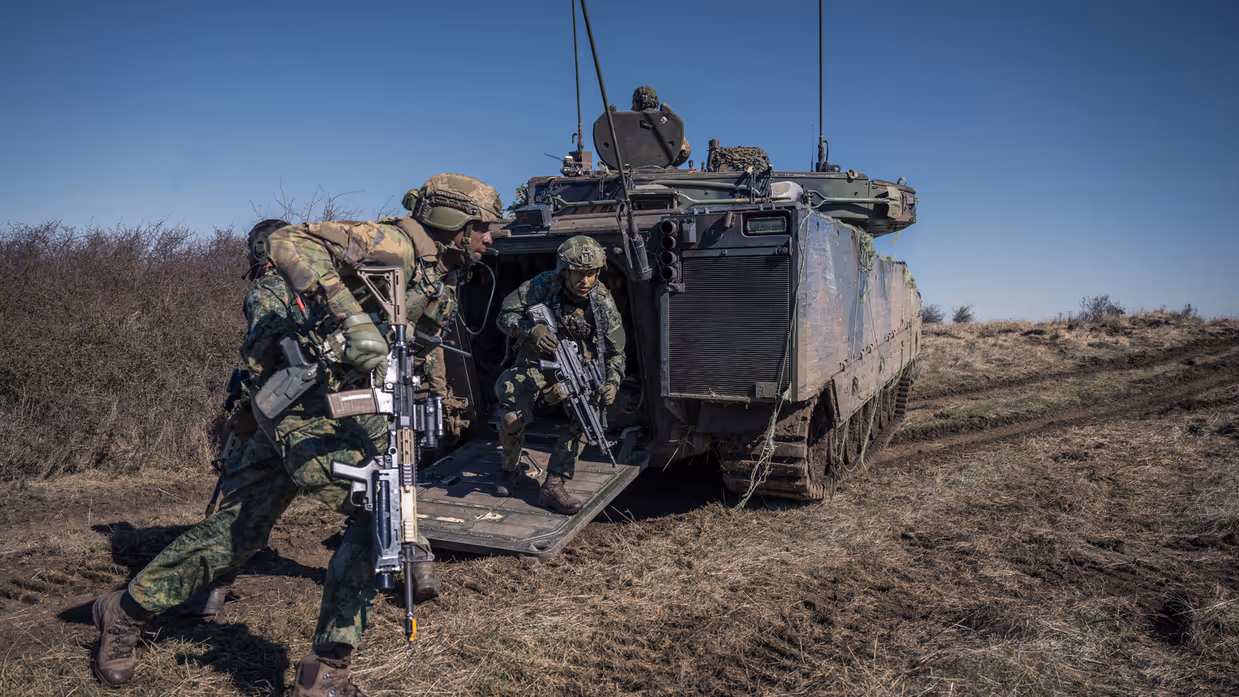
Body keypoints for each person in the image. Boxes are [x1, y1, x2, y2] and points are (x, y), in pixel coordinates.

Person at [90, 175, 501, 695]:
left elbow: (410, 342)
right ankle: (326, 670)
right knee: (377, 509)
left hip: (346, 406)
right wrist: (353, 324)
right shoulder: (393, 243)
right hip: (304, 406)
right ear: (453, 221)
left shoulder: (437, 275)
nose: (490, 239)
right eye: (482, 227)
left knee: (238, 532)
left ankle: (125, 609)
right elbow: (288, 241)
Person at [493, 235, 626, 513]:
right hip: (534, 363)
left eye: (591, 274)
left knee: (590, 413)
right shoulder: (542, 285)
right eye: (579, 273)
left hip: (577, 369)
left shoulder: (602, 303)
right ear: (564, 270)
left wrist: (612, 383)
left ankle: (554, 484)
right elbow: (504, 316)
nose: (585, 281)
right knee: (511, 416)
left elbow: (616, 352)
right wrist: (532, 330)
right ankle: (510, 469)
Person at [631, 85, 691, 167]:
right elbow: (685, 152)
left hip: (628, 174)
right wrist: (666, 165)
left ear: (640, 102)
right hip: (662, 174)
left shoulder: (623, 123)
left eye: (633, 102)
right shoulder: (667, 122)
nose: (632, 107)